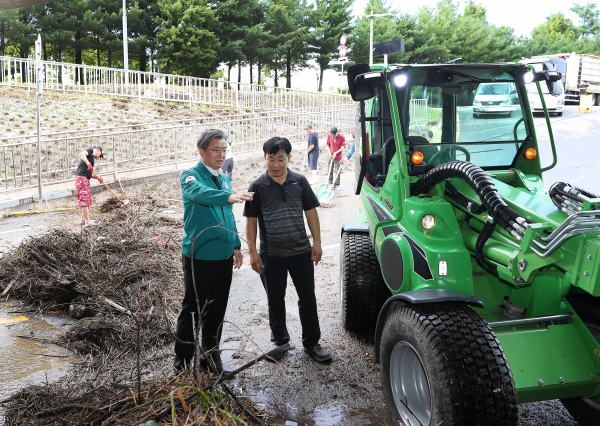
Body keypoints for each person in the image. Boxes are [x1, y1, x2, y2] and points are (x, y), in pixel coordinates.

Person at [244, 137, 331, 363]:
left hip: (301, 252)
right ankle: (280, 343)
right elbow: (251, 222)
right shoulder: (257, 186)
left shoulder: (300, 181)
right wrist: (252, 252)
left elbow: (311, 212)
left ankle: (312, 343)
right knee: (275, 299)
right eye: (270, 159)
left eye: (280, 159)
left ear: (289, 158)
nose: (275, 164)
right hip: (271, 256)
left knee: (308, 298)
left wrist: (318, 243)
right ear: (264, 158)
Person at [174, 129, 254, 374]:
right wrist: (228, 196)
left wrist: (236, 246)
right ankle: (183, 363)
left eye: (224, 150)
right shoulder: (190, 177)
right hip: (199, 255)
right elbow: (200, 194)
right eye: (215, 150)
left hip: (222, 256)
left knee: (217, 310)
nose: (221, 155)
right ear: (202, 152)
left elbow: (227, 214)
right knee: (193, 310)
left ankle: (210, 358)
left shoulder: (223, 177)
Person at [75, 145, 104, 227]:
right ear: (98, 150)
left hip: (85, 178)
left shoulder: (91, 158)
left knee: (87, 199)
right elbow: (81, 154)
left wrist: (98, 178)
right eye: (100, 155)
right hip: (81, 179)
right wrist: (88, 164)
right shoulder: (90, 151)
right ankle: (87, 222)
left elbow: (89, 173)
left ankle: (83, 219)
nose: (99, 157)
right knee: (84, 200)